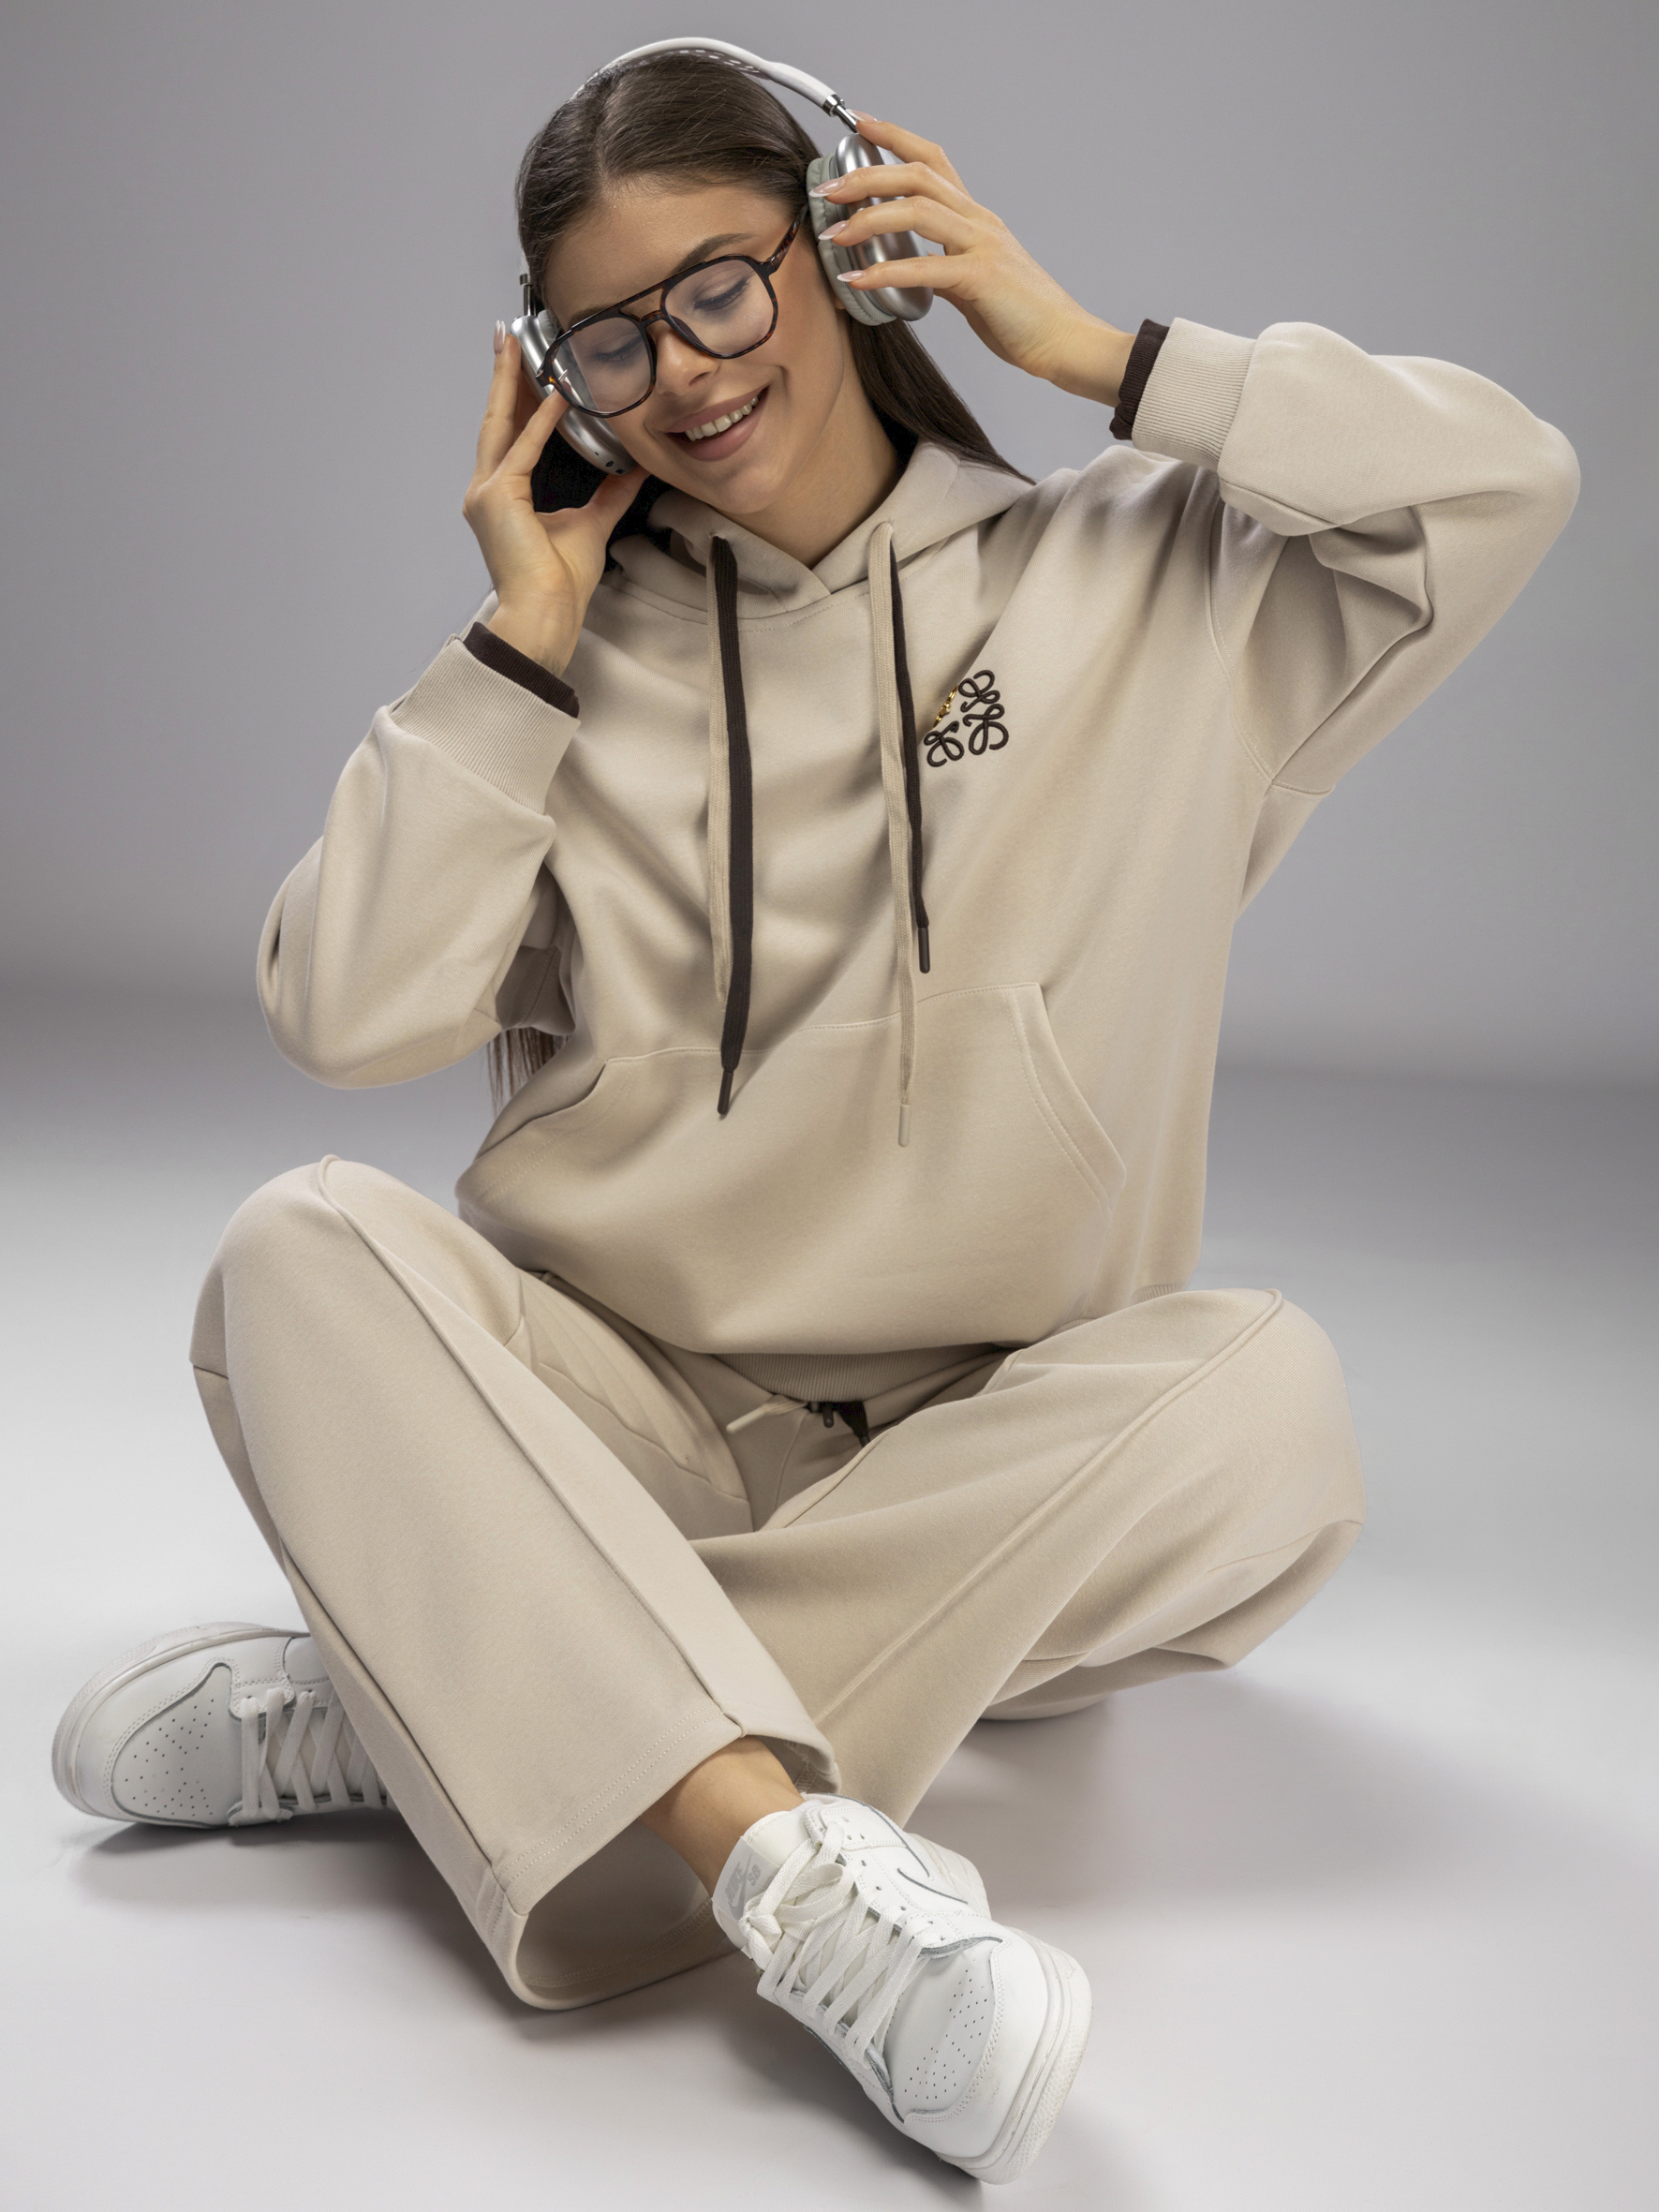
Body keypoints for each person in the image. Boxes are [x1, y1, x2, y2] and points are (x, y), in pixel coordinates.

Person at [50, 44, 1578, 2184]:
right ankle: (793, 1885)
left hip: (996, 1446)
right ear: (552, 374)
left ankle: (456, 1700)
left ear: (845, 247)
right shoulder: (560, 669)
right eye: (609, 335)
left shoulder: (1146, 580)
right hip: (618, 1422)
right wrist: (515, 642)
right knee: (301, 1242)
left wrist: (1102, 355)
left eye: (720, 285)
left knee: (1271, 1404)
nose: (681, 370)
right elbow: (345, 1009)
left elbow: (1506, 482)